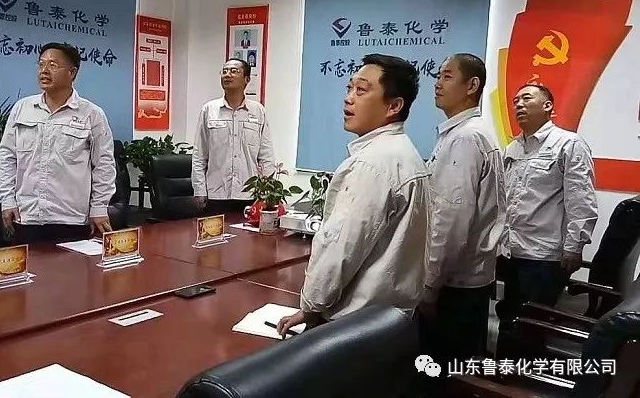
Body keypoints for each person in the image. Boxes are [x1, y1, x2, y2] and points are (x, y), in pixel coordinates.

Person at [277, 53, 431, 337]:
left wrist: (310, 306)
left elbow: (341, 248)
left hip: (353, 327)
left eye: (361, 90)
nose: (348, 99)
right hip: (390, 321)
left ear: (394, 106)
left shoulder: (371, 165)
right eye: (349, 88)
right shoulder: (405, 154)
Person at [418, 54, 505, 363]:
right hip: (467, 280)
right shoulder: (464, 133)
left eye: (447, 76)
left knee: (441, 370)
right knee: (459, 365)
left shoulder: (466, 138)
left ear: (472, 85)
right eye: (438, 75)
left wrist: (430, 285)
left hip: (454, 285)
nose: (437, 83)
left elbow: (450, 221)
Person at [497, 83, 598, 325]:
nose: (519, 105)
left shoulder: (568, 144)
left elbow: (581, 199)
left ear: (547, 106)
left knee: (532, 325)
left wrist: (574, 247)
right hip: (511, 251)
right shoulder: (513, 147)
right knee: (509, 318)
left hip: (544, 255)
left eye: (526, 99)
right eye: (515, 101)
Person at [0, 42, 116, 244]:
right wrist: (7, 200)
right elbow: (8, 157)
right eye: (41, 64)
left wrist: (99, 207)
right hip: (26, 216)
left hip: (71, 218)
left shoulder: (92, 114)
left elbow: (103, 165)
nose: (44, 70)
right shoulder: (22, 108)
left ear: (72, 72)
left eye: (52, 65)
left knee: (71, 266)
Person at [191, 58, 275, 215]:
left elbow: (266, 156)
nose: (227, 75)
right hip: (215, 194)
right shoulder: (209, 110)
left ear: (247, 79)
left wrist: (266, 192)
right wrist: (199, 189)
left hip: (249, 195)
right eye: (224, 71)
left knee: (247, 232)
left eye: (234, 71)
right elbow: (199, 155)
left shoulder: (258, 111)